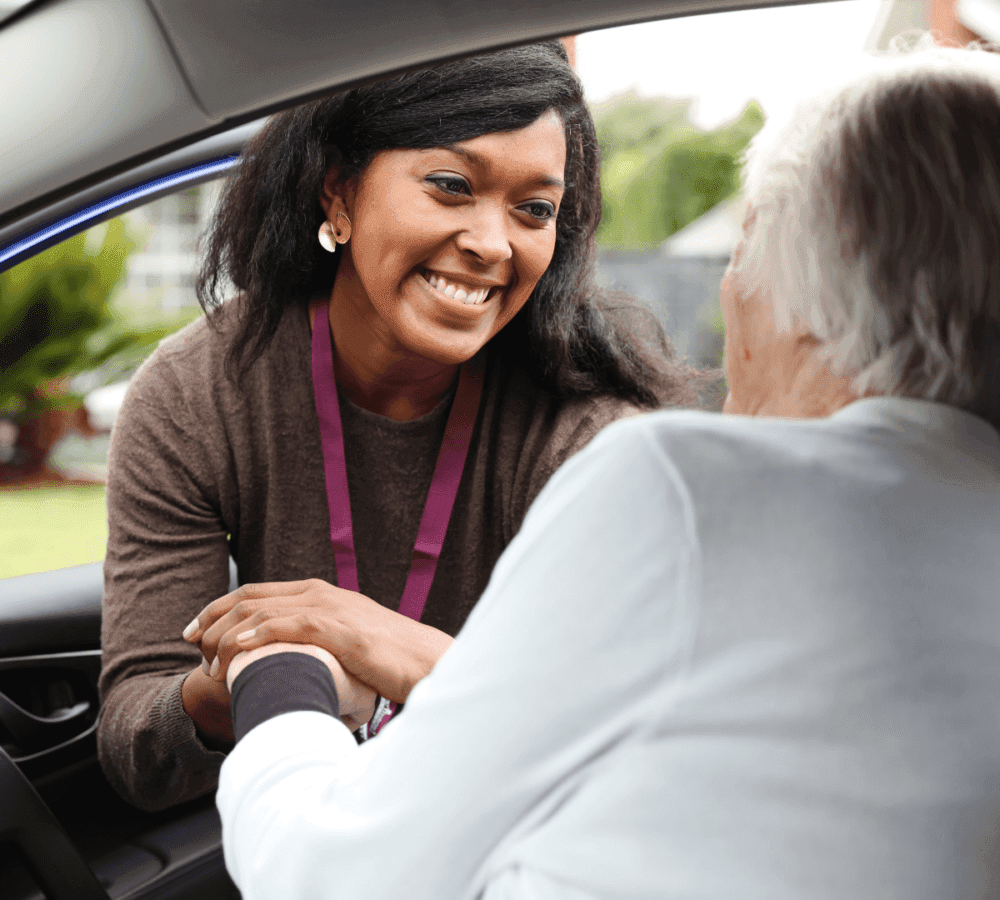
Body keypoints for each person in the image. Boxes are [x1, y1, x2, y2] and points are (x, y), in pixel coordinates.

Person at [209, 38, 1000, 899]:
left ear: (808, 287)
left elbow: (332, 878)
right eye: (451, 184)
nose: (729, 294)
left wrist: (281, 680)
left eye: (742, 249)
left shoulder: (689, 491)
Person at [97, 40, 703, 811]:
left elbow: (630, 749)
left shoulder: (589, 435)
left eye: (535, 210)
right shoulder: (197, 395)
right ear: (339, 193)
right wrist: (270, 673)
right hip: (294, 828)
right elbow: (136, 747)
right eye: (451, 186)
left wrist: (385, 644)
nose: (492, 243)